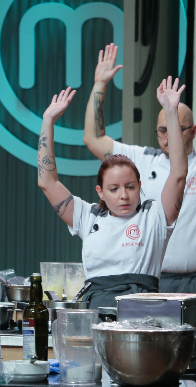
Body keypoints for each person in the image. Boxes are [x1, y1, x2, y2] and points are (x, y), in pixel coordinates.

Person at [84, 45, 196, 293]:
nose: (169, 136)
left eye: (178, 127)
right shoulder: (141, 159)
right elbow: (93, 138)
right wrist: (100, 84)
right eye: (163, 130)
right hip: (149, 280)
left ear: (194, 131)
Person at [38, 79, 187, 309]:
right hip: (96, 312)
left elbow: (178, 173)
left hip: (142, 312)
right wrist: (48, 121)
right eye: (114, 189)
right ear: (101, 192)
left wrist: (170, 111)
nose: (124, 196)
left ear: (139, 185)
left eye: (130, 187)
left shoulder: (155, 215)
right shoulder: (88, 216)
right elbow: (47, 182)